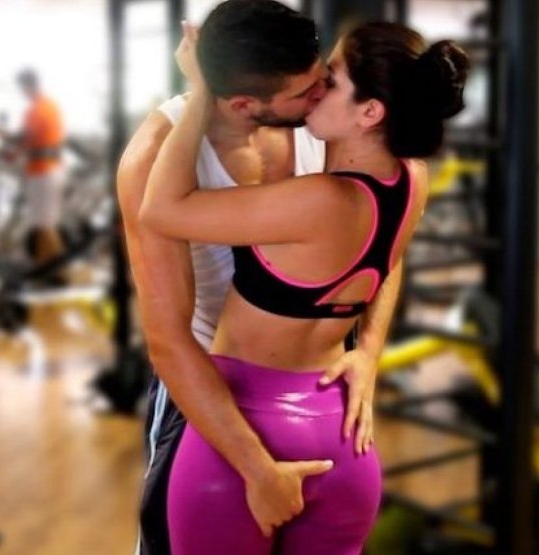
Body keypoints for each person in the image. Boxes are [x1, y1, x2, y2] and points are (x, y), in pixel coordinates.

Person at [140, 19, 469, 555]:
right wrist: (368, 352)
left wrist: (201, 88)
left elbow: (161, 211)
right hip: (343, 440)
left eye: (332, 80)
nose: (317, 88)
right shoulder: (411, 179)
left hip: (246, 433)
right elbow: (390, 258)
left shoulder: (319, 201)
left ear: (370, 112)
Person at [14, 69, 66, 274]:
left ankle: (61, 271)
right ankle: (46, 269)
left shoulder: (38, 109)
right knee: (42, 224)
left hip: (43, 170)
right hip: (46, 168)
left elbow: (27, 137)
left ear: (27, 86)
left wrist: (12, 150)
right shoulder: (48, 106)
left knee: (45, 224)